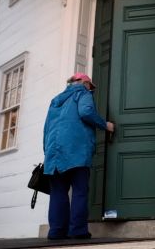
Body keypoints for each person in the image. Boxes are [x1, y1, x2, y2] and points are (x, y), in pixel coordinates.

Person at [43, 72, 114, 240]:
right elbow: (86, 111)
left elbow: (46, 129)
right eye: (90, 85)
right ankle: (77, 231)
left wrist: (48, 153)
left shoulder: (56, 100)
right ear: (82, 82)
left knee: (58, 192)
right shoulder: (82, 93)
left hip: (54, 153)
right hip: (77, 150)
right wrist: (105, 125)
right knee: (80, 192)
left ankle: (56, 232)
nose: (91, 89)